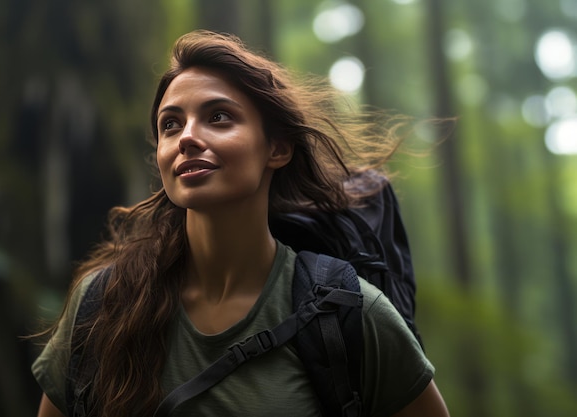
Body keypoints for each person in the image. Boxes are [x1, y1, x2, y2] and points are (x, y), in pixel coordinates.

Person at [32, 29, 450, 417]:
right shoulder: (104, 304)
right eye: (170, 124)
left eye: (218, 117)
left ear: (277, 148)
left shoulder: (347, 315)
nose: (187, 138)